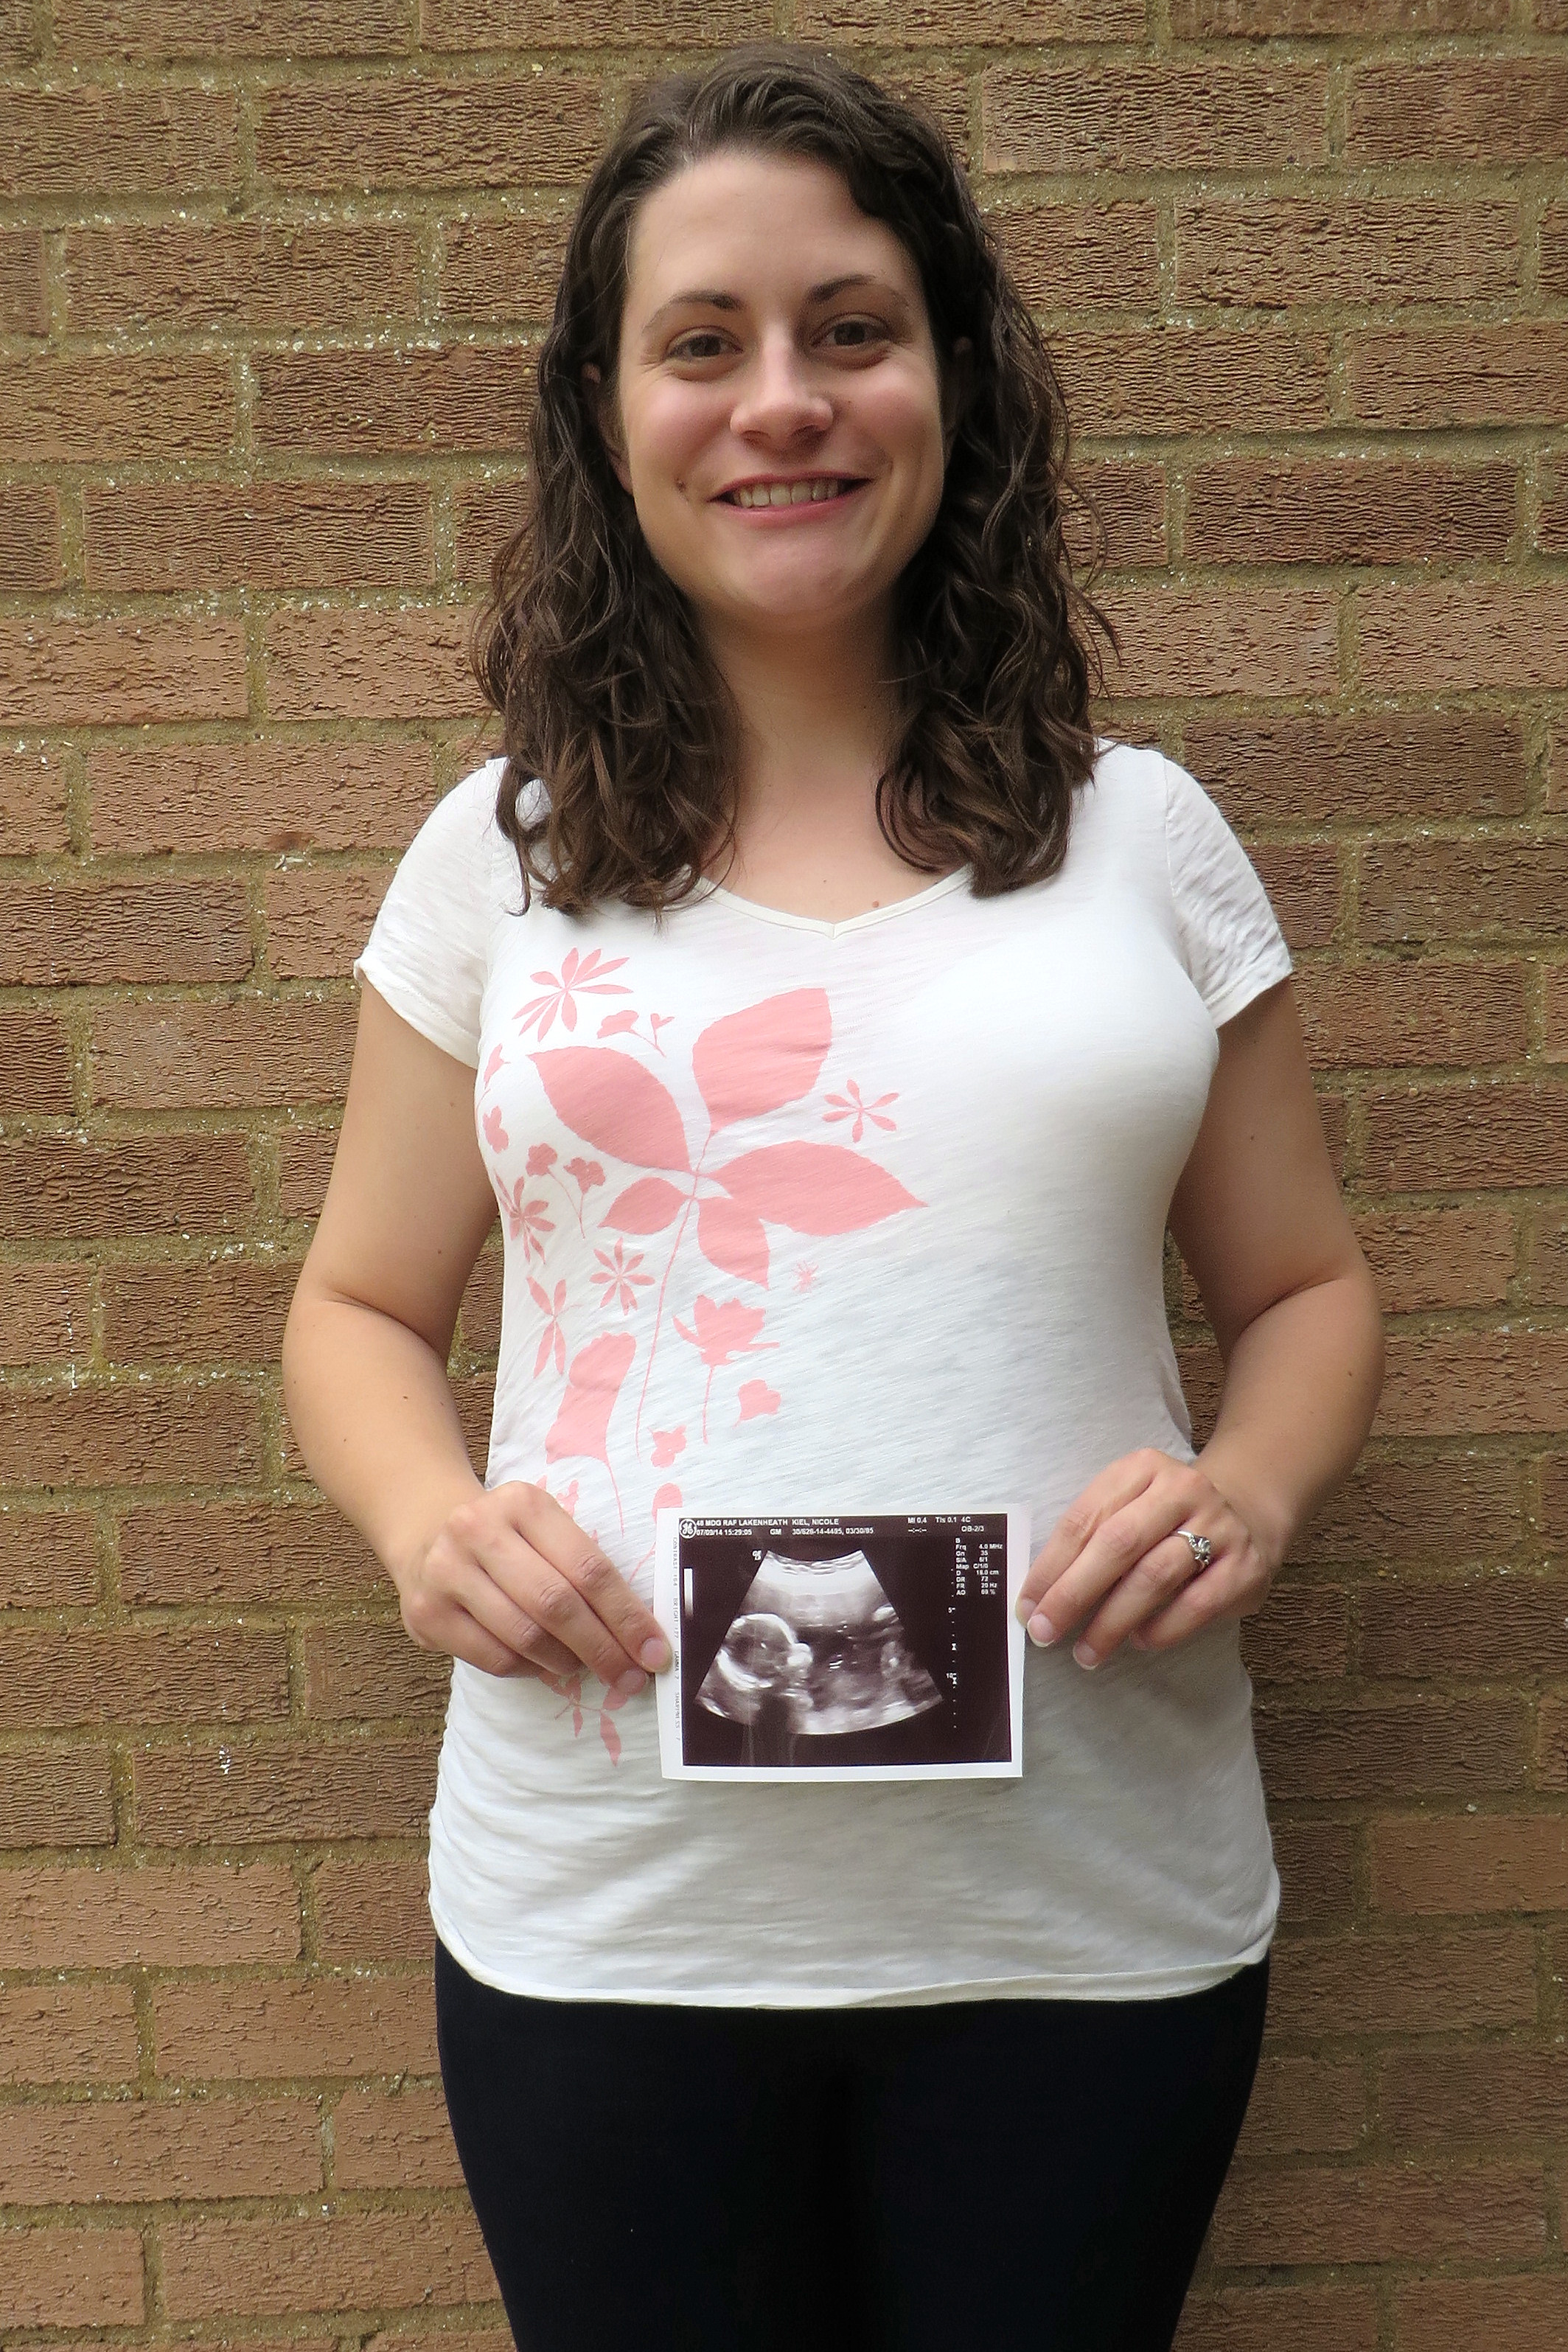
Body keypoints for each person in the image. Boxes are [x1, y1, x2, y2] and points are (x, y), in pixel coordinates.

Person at [282, 41, 1384, 2352]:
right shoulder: (500, 860)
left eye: (850, 329)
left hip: (1086, 1915)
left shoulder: (1145, 840)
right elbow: (359, 1309)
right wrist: (424, 1524)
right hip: (613, 1919)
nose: (780, 399)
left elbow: (1302, 1287)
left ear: (949, 380)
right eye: (702, 342)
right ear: (610, 417)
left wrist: (1255, 1492)